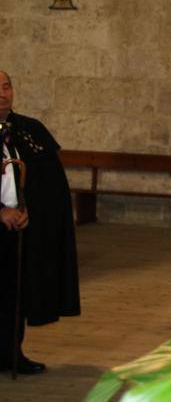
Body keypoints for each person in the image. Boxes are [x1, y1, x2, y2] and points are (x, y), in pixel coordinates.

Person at [0, 70, 80, 375]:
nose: (2, 93)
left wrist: (26, 209)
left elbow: (49, 182)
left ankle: (10, 353)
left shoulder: (28, 129)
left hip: (19, 229)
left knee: (14, 293)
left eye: (7, 86)